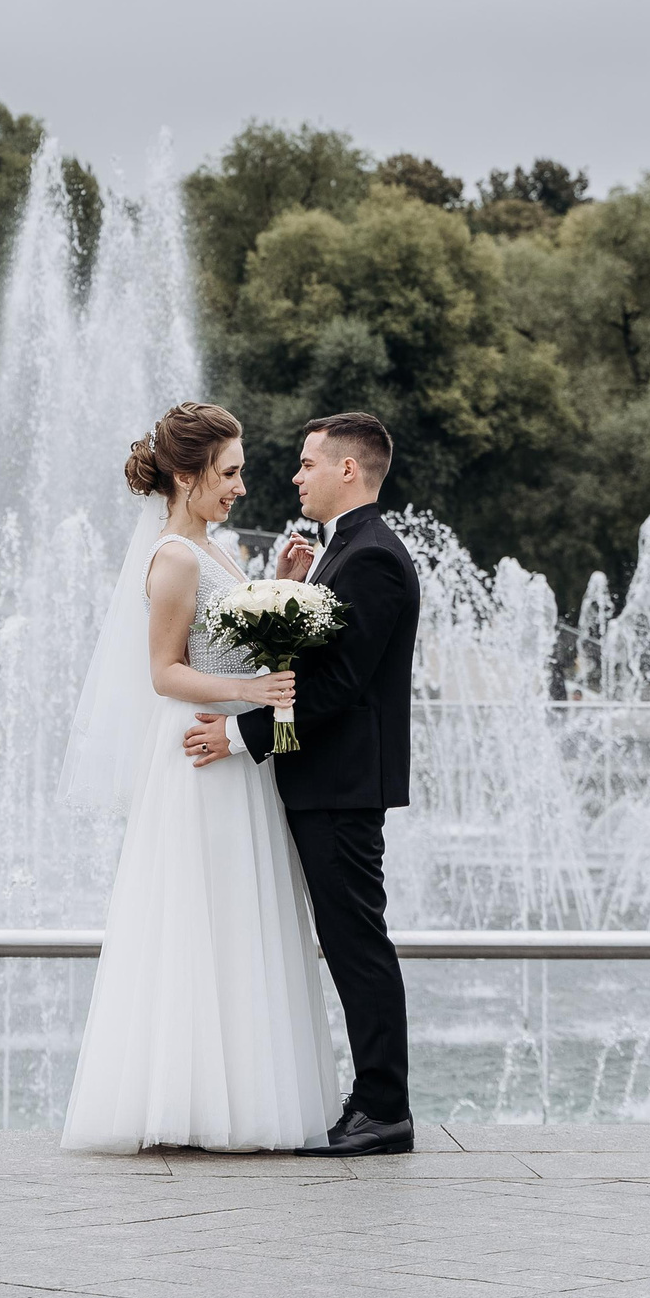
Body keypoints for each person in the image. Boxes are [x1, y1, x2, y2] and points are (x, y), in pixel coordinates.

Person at [59, 402, 338, 1152]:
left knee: (238, 922)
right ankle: (189, 1102)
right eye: (229, 471)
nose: (242, 484)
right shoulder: (175, 556)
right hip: (196, 760)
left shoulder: (212, 550)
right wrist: (253, 695)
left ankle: (242, 1098)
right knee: (196, 923)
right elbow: (163, 671)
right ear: (186, 475)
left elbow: (232, 641)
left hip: (231, 758)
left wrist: (277, 586)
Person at [182, 411, 417, 1157]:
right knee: (345, 941)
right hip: (324, 783)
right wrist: (289, 587)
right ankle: (371, 1099)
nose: (295, 475)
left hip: (343, 787)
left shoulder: (371, 556)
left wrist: (239, 733)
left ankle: (384, 1107)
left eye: (309, 462)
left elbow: (339, 686)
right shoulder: (340, 551)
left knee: (356, 944)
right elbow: (314, 662)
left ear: (349, 469)